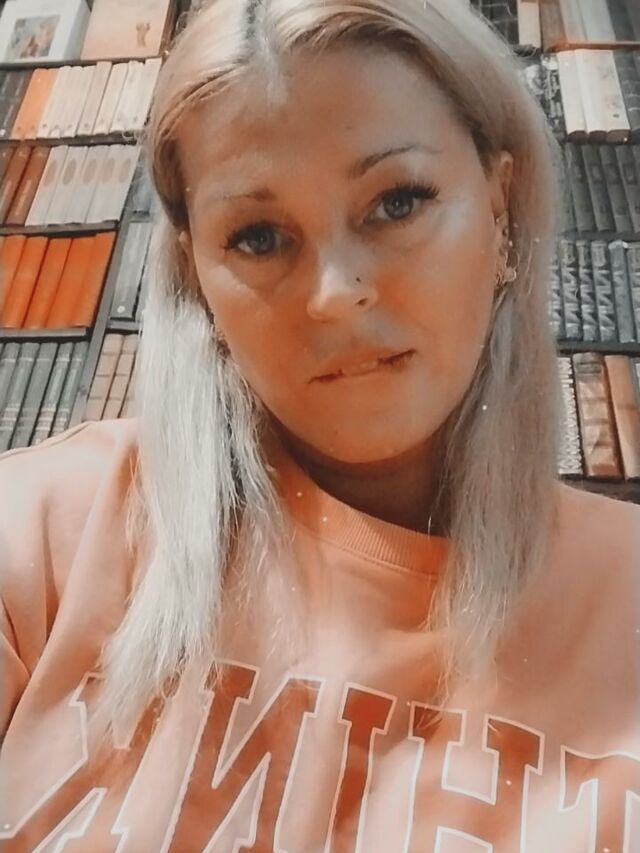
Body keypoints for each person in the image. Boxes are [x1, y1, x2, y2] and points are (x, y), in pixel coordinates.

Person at [1, 0, 639, 849]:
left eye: (398, 201)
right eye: (259, 236)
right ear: (196, 275)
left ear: (501, 207)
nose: (336, 293)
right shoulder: (43, 538)